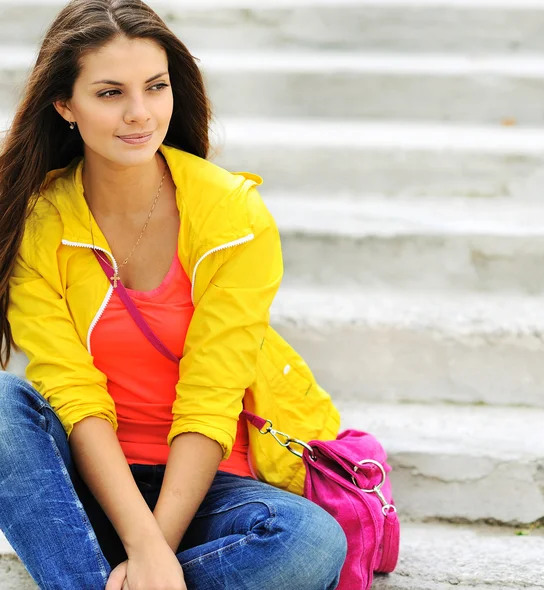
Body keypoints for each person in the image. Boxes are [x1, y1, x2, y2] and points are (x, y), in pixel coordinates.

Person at [0, 1, 347, 589]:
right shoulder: (38, 220)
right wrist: (139, 542)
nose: (140, 114)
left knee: (310, 543)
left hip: (205, 488)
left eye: (155, 88)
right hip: (87, 484)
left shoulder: (232, 215)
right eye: (110, 93)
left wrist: (156, 550)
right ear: (65, 105)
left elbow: (212, 395)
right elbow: (73, 394)